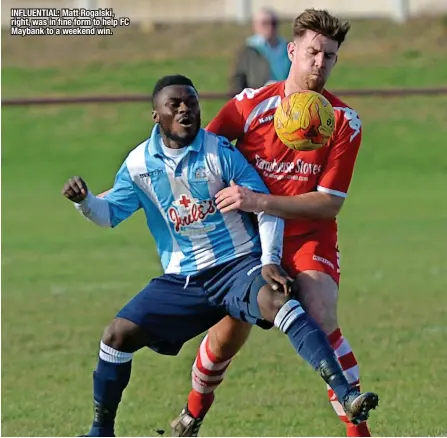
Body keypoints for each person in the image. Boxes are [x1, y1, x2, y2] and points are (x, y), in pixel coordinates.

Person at [62, 75, 378, 437]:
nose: (185, 110)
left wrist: (269, 260)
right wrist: (84, 202)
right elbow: (108, 215)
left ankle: (347, 393)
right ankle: (101, 430)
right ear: (156, 116)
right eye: (175, 105)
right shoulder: (138, 166)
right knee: (116, 336)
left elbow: (265, 208)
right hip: (183, 279)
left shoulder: (220, 154)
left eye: (192, 104)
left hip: (237, 267)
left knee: (281, 302)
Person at [171, 9, 374, 438]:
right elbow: (202, 156)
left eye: (330, 57)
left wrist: (259, 197)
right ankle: (193, 414)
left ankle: (359, 431)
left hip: (307, 235)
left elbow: (328, 205)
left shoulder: (344, 122)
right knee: (227, 338)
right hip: (246, 240)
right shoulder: (249, 105)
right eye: (314, 52)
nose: (320, 64)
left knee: (321, 314)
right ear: (293, 50)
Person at [230, 7, 291, 94]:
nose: (270, 27)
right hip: (258, 99)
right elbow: (237, 80)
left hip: (287, 97)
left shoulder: (289, 48)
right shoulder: (247, 51)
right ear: (255, 26)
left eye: (273, 23)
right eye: (265, 23)